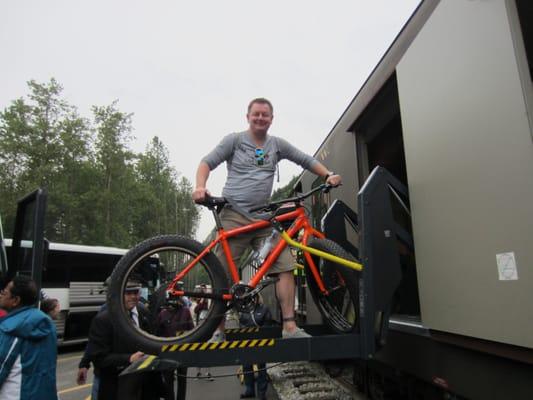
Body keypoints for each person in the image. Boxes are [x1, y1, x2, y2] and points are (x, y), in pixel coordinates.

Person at [192, 97, 342, 337]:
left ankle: (290, 326)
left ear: (272, 119)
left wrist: (327, 175)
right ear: (248, 117)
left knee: (285, 265)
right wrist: (200, 186)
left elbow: (306, 159)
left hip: (264, 219)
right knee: (221, 273)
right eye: (256, 114)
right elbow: (206, 163)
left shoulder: (277, 145)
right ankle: (217, 330)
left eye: (265, 115)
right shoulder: (234, 140)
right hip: (234, 214)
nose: (260, 118)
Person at [87, 280, 161, 400]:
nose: (133, 296)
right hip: (117, 387)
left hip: (144, 388)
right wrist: (129, 359)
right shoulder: (104, 320)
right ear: (119, 294)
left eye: (136, 292)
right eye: (128, 293)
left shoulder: (145, 313)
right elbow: (98, 358)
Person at [0, 275, 58, 399]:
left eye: (4, 292)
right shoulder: (48, 324)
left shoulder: (11, 328)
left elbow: (2, 367)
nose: (0, 294)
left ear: (15, 300)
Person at [156, 297, 194, 400]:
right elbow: (157, 334)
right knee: (168, 381)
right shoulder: (162, 313)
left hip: (183, 351)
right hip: (167, 352)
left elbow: (192, 331)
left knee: (182, 379)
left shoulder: (185, 311)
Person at [239, 295, 272, 400]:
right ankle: (249, 390)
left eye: (253, 297)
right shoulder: (244, 310)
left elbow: (268, 325)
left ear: (258, 298)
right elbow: (241, 326)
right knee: (247, 367)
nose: (251, 299)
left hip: (260, 343)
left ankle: (261, 393)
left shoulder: (264, 309)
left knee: (261, 367)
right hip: (247, 343)